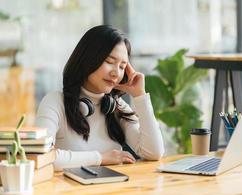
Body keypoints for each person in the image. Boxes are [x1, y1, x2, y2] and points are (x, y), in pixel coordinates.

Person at [36, 25, 164, 171]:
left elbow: (154, 152)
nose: (116, 73)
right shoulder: (55, 102)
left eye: (122, 66)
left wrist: (139, 96)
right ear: (88, 59)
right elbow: (41, 156)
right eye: (109, 62)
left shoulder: (116, 106)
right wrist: (100, 158)